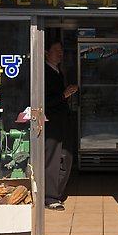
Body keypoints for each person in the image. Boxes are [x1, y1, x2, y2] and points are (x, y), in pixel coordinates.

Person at [44, 39, 78, 211]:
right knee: (53, 158)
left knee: (66, 156)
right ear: (45, 52)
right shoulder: (44, 72)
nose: (60, 53)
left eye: (61, 50)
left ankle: (56, 191)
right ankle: (50, 197)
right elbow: (43, 101)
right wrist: (64, 95)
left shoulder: (58, 71)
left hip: (62, 120)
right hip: (51, 123)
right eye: (56, 50)